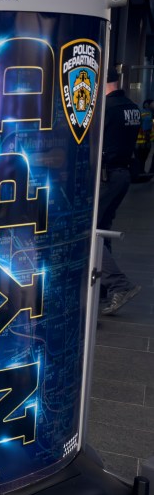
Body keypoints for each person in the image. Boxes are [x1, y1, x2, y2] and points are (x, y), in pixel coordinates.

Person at [98, 69, 142, 315]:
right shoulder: (132, 107)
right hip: (123, 175)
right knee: (102, 229)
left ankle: (118, 284)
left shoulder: (107, 109)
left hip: (107, 176)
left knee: (90, 233)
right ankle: (104, 288)